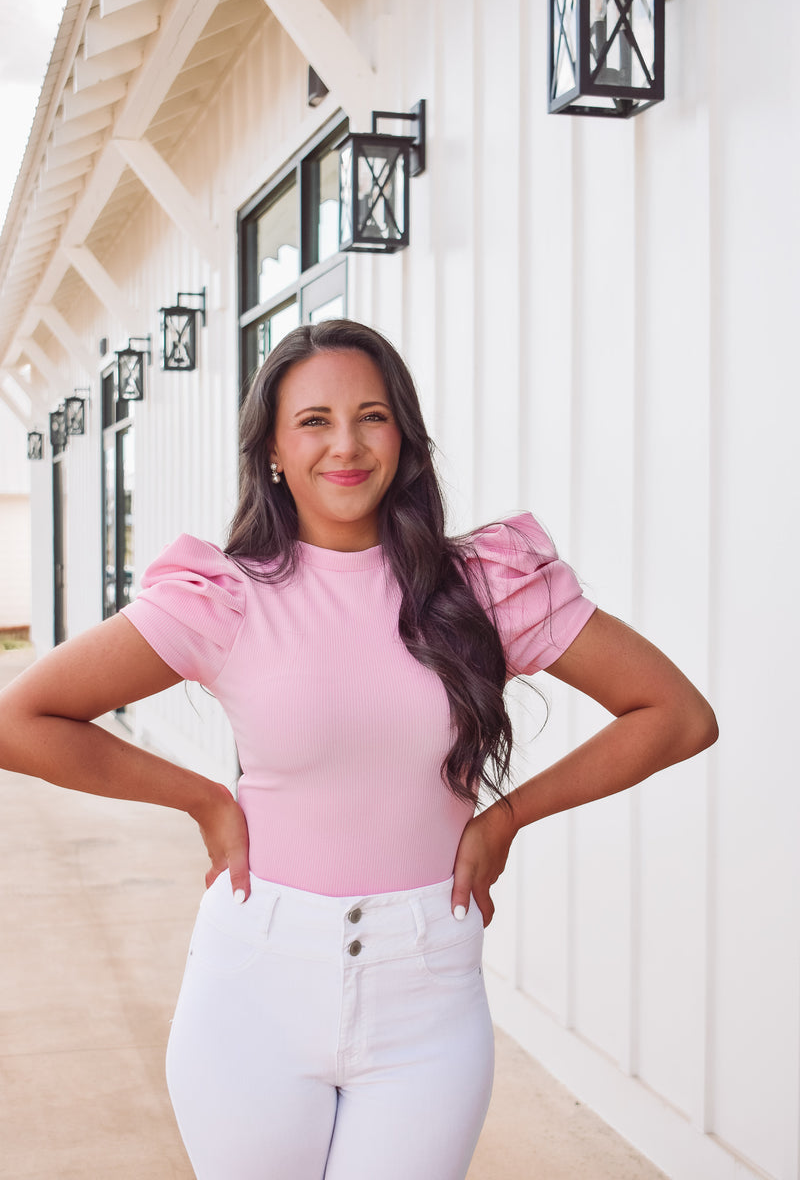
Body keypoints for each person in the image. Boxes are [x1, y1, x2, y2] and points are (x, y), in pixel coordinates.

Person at [0, 319, 717, 1180]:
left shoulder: (482, 589)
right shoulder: (225, 598)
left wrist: (509, 818)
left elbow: (676, 714)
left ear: (403, 437)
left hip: (426, 993)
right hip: (255, 985)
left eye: (371, 416)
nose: (346, 445)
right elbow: (20, 719)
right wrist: (202, 799)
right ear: (271, 447)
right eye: (313, 421)